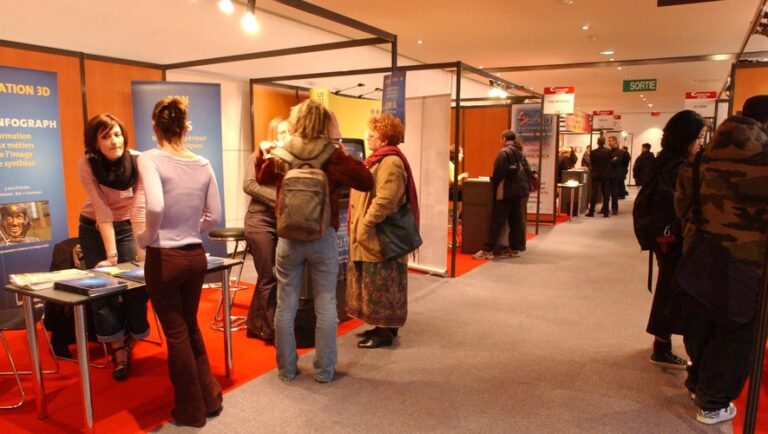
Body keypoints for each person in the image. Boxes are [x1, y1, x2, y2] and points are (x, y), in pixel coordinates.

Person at [256, 100, 373, 383]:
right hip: (322, 237)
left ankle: (286, 369)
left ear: (296, 122)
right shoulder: (331, 155)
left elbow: (262, 177)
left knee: (285, 305)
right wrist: (344, 154)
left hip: (288, 238)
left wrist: (262, 154)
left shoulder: (283, 152)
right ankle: (324, 370)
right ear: (323, 123)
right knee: (326, 305)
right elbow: (366, 180)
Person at [675, 95, 768, 425]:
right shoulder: (764, 157)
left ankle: (697, 381)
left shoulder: (704, 156)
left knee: (702, 319)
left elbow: (681, 205)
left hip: (700, 251)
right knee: (738, 328)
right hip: (747, 259)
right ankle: (713, 402)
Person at [135, 96, 223, 427]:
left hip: (164, 258)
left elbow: (155, 207)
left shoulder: (149, 158)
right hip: (194, 255)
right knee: (190, 327)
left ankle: (190, 411)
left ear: (155, 126)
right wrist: (191, 229)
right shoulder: (203, 163)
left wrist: (146, 237)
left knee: (175, 332)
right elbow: (213, 215)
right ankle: (209, 399)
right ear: (185, 127)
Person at [77, 113, 148, 381]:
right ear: (95, 143)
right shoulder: (86, 164)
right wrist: (112, 256)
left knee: (135, 283)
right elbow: (101, 209)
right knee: (102, 287)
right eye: (105, 136)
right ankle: (117, 347)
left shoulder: (139, 160)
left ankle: (135, 335)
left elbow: (139, 208)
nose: (114, 141)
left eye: (117, 134)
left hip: (129, 223)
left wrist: (141, 254)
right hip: (94, 226)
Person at [347, 113, 419, 349]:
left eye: (373, 134)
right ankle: (383, 326)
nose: (367, 137)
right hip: (375, 235)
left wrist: (366, 223)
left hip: (380, 236)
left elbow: (386, 200)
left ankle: (384, 332)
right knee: (377, 281)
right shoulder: (380, 159)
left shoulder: (391, 162)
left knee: (383, 282)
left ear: (385, 138)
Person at [644, 109, 705, 372]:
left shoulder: (663, 161)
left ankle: (662, 343)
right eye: (699, 137)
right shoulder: (679, 167)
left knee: (668, 288)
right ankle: (662, 346)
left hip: (665, 236)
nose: (701, 143)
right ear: (686, 138)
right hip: (675, 238)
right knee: (673, 290)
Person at [243, 116, 290, 343]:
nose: (285, 136)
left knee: (271, 275)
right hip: (258, 221)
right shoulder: (259, 156)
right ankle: (271, 332)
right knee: (268, 275)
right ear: (273, 134)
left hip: (278, 221)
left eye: (288, 132)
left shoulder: (289, 159)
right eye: (281, 132)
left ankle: (254, 324)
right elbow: (249, 185)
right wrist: (280, 199)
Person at [472, 130, 531, 259]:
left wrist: (494, 185)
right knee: (515, 221)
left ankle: (488, 249)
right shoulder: (520, 153)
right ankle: (515, 248)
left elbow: (498, 174)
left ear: (503, 138)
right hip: (519, 192)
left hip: (506, 192)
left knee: (497, 221)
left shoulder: (504, 153)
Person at [585, 136, 612, 217]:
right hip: (605, 174)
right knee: (605, 193)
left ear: (597, 142)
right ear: (604, 142)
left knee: (594, 193)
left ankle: (591, 212)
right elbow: (609, 162)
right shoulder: (608, 151)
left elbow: (592, 163)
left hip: (596, 174)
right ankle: (606, 212)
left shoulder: (593, 152)